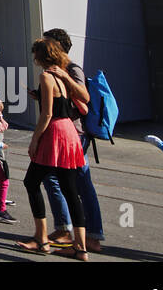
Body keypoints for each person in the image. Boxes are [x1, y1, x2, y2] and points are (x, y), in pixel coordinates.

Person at [16, 38, 91, 258]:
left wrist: (34, 140)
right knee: (70, 190)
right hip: (70, 132)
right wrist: (66, 77)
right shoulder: (62, 75)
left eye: (35, 54)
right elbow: (84, 98)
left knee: (31, 182)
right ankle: (81, 248)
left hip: (55, 132)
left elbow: (47, 114)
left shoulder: (46, 76)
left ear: (41, 56)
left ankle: (41, 239)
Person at [38, 29, 106, 252]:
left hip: (74, 133)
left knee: (80, 183)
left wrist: (64, 77)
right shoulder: (55, 70)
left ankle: (88, 235)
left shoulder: (72, 68)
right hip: (65, 132)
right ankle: (69, 231)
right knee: (57, 181)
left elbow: (83, 96)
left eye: (47, 43)